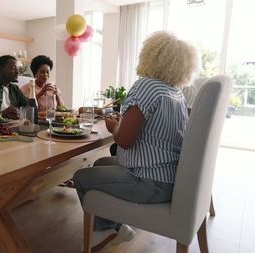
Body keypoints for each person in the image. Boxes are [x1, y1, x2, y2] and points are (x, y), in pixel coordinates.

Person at [73, 31, 198, 251]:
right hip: (170, 180)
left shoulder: (146, 86)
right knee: (100, 164)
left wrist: (114, 127)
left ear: (150, 55)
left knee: (80, 177)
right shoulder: (176, 93)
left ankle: (106, 231)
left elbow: (124, 141)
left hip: (148, 182)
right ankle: (115, 226)